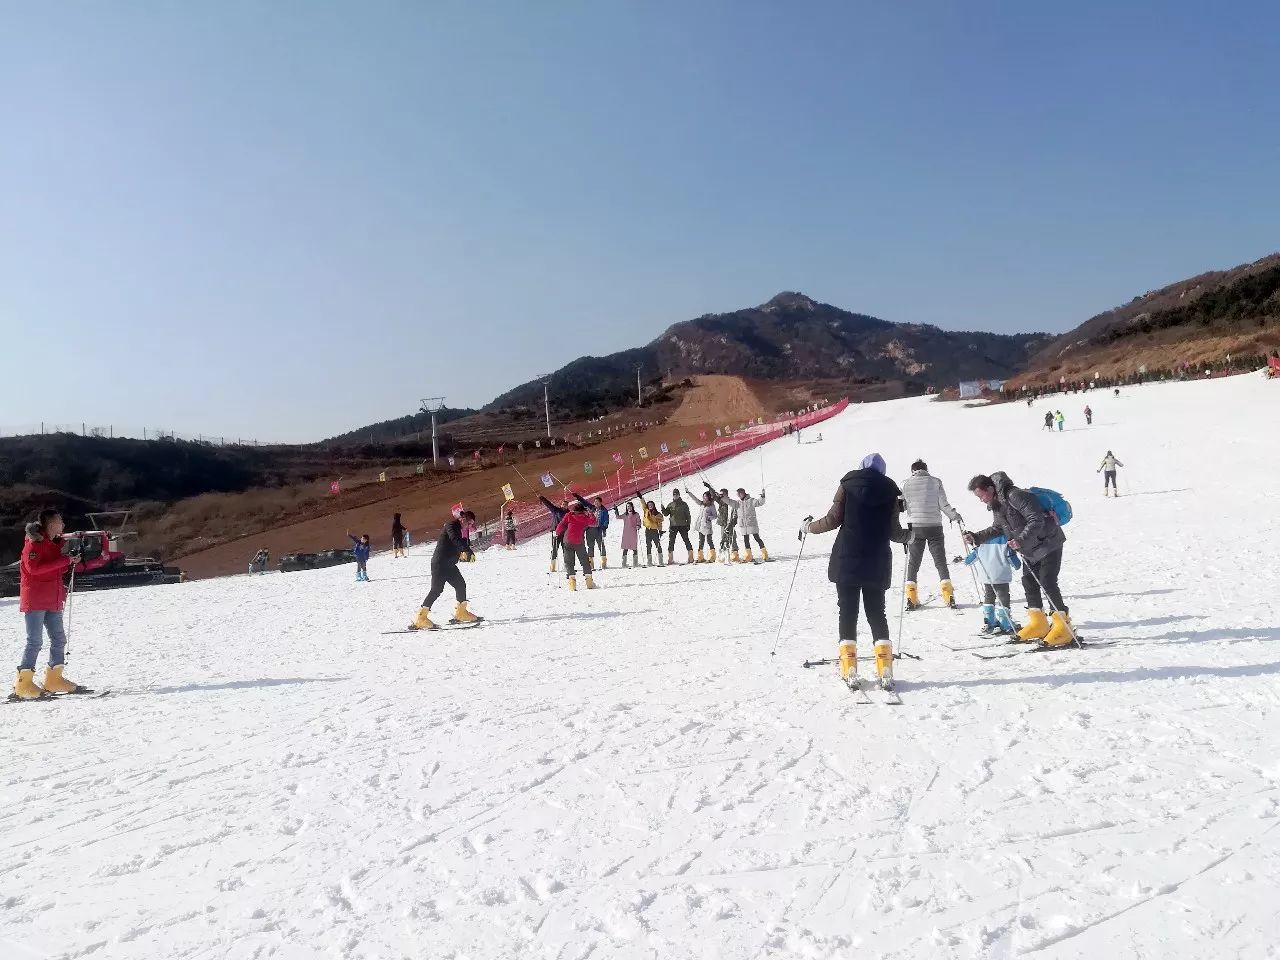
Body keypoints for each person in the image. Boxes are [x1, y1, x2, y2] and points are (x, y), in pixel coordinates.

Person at [805, 454, 910, 690]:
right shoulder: (891, 493)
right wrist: (909, 536)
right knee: (876, 613)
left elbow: (832, 520)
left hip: (847, 558)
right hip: (877, 559)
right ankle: (885, 668)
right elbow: (895, 533)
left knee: (848, 611)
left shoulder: (847, 486)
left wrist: (809, 527)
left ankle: (849, 666)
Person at [964, 473, 1072, 647]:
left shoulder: (1015, 495)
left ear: (990, 489)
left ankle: (1062, 626)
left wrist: (1021, 540)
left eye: (981, 495)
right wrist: (976, 537)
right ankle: (1039, 623)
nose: (981, 500)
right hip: (1030, 549)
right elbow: (998, 528)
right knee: (1028, 582)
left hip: (1048, 543)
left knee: (1047, 582)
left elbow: (1035, 519)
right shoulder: (997, 504)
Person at [12, 509, 87, 700]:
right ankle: (23, 684)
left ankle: (54, 678)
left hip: (52, 598)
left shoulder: (54, 544)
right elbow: (33, 569)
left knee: (59, 639)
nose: (63, 525)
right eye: (60, 521)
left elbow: (54, 568)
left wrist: (70, 562)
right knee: (35, 641)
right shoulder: (34, 543)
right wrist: (63, 560)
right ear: (51, 524)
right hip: (36, 598)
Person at [900, 460, 961, 609]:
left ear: (912, 471)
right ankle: (949, 596)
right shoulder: (936, 482)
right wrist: (955, 516)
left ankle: (911, 598)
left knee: (913, 563)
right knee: (940, 562)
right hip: (935, 527)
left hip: (915, 528)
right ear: (926, 470)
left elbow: (901, 505)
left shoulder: (905, 484)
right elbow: (943, 504)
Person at [409, 510, 481, 629]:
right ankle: (420, 618)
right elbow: (454, 539)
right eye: (469, 523)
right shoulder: (451, 525)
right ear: (463, 519)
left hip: (449, 565)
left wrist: (468, 553)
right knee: (436, 590)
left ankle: (461, 613)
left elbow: (458, 544)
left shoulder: (459, 530)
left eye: (471, 524)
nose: (469, 526)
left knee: (460, 585)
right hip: (440, 564)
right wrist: (465, 550)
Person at [962, 535, 1020, 635]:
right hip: (1001, 575)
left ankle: (989, 621)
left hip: (986, 575)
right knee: (1003, 596)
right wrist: (1017, 564)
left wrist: (968, 559)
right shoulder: (1006, 539)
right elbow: (1012, 558)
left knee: (989, 595)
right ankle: (1005, 622)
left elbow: (969, 560)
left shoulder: (982, 539)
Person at [555, 501, 598, 590]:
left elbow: (561, 525)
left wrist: (557, 533)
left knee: (569, 561)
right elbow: (594, 522)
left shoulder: (569, 515)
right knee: (584, 561)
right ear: (583, 510)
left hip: (567, 541)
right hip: (579, 542)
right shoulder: (584, 518)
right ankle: (589, 582)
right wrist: (590, 513)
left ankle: (572, 583)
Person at [704, 482, 739, 564]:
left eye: (722, 494)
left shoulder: (731, 502)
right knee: (723, 538)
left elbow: (735, 512)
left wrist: (733, 522)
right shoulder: (720, 501)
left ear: (726, 494)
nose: (721, 495)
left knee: (732, 537)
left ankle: (735, 553)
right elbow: (714, 495)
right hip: (723, 522)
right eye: (720, 494)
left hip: (730, 523)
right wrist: (709, 487)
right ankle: (722, 554)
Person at [574, 494, 610, 568]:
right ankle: (591, 563)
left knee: (601, 545)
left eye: (597, 502)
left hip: (598, 530)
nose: (595, 503)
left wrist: (604, 528)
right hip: (589, 530)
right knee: (590, 546)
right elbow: (585, 502)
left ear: (600, 503)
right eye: (595, 502)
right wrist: (578, 497)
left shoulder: (604, 510)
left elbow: (606, 520)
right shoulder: (592, 508)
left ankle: (603, 562)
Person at [685, 487, 718, 562]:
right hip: (700, 526)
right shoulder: (702, 504)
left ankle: (712, 557)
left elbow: (715, 515)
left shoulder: (711, 506)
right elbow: (695, 499)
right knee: (701, 541)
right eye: (703, 497)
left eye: (705, 496)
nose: (704, 498)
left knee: (709, 541)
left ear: (709, 497)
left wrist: (710, 517)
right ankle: (700, 557)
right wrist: (689, 492)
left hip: (707, 525)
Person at [539, 493, 570, 572]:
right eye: (563, 504)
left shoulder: (569, 513)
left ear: (567, 506)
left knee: (565, 549)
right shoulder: (556, 510)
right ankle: (552, 566)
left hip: (565, 534)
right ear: (561, 505)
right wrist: (542, 498)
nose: (564, 505)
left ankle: (566, 565)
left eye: (566, 505)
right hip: (556, 533)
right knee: (554, 549)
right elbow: (549, 504)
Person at [735, 487, 768, 562]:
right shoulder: (738, 502)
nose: (739, 495)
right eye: (738, 494)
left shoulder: (751, 500)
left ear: (743, 493)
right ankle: (748, 556)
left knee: (757, 538)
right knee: (746, 540)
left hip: (751, 523)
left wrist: (762, 496)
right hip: (744, 525)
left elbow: (760, 502)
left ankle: (765, 554)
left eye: (740, 493)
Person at [662, 489, 693, 564]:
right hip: (673, 525)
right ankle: (670, 558)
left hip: (683, 525)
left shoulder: (684, 504)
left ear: (679, 495)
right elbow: (666, 514)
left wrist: (688, 524)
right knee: (671, 541)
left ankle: (691, 557)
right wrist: (663, 509)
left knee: (686, 540)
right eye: (674, 494)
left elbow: (688, 515)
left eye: (676, 494)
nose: (675, 496)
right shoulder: (671, 504)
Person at [613, 501, 642, 567]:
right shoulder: (625, 515)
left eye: (630, 506)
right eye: (627, 506)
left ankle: (635, 563)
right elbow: (618, 517)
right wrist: (616, 510)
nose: (629, 507)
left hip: (633, 532)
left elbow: (639, 521)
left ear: (632, 507)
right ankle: (624, 563)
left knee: (634, 547)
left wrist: (638, 525)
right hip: (626, 533)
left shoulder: (636, 514)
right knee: (625, 548)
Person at [639, 499, 665, 567]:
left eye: (651, 505)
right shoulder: (646, 511)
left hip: (655, 531)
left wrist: (660, 530)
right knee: (648, 545)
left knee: (658, 545)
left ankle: (661, 561)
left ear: (653, 506)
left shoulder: (657, 513)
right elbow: (643, 505)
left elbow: (660, 522)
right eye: (649, 505)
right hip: (648, 530)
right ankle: (649, 562)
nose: (650, 506)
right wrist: (641, 498)